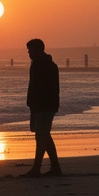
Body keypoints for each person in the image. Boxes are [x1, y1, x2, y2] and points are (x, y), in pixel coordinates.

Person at [22, 38, 61, 177]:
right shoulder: (43, 64)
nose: (28, 53)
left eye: (29, 50)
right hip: (41, 105)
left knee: (41, 136)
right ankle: (55, 166)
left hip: (44, 105)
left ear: (36, 50)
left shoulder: (43, 65)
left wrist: (34, 102)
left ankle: (36, 168)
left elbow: (42, 88)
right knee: (44, 135)